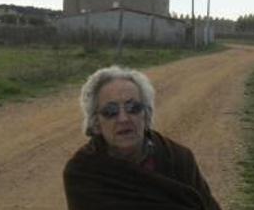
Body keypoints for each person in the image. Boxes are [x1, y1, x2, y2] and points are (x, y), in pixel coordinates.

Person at [63, 65, 221, 210]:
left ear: (146, 115)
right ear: (96, 123)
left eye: (134, 108)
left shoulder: (179, 158)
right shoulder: (82, 172)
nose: (123, 118)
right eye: (111, 111)